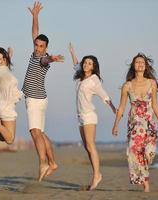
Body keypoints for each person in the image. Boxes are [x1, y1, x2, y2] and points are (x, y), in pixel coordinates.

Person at [112, 53, 158, 192]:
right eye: (137, 62)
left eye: (142, 62)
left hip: (149, 123)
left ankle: (144, 174)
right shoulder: (127, 85)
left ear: (145, 66)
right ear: (133, 66)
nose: (140, 64)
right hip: (135, 124)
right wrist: (116, 124)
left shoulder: (152, 83)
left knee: (148, 153)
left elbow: (155, 105)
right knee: (133, 151)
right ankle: (145, 183)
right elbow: (122, 107)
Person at [22, 1, 64, 182]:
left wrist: (52, 59)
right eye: (36, 45)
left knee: (34, 132)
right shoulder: (34, 54)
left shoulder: (43, 58)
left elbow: (46, 61)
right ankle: (52, 162)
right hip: (40, 99)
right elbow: (35, 33)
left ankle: (43, 163)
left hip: (34, 99)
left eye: (41, 46)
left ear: (45, 48)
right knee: (41, 133)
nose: (38, 47)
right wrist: (35, 16)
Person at [69, 43, 116, 190]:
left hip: (89, 116)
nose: (86, 64)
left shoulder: (94, 79)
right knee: (86, 147)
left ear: (93, 66)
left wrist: (113, 107)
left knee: (91, 145)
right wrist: (72, 52)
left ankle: (97, 175)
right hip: (80, 116)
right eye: (85, 62)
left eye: (90, 63)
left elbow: (103, 93)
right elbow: (76, 65)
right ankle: (96, 173)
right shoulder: (81, 77)